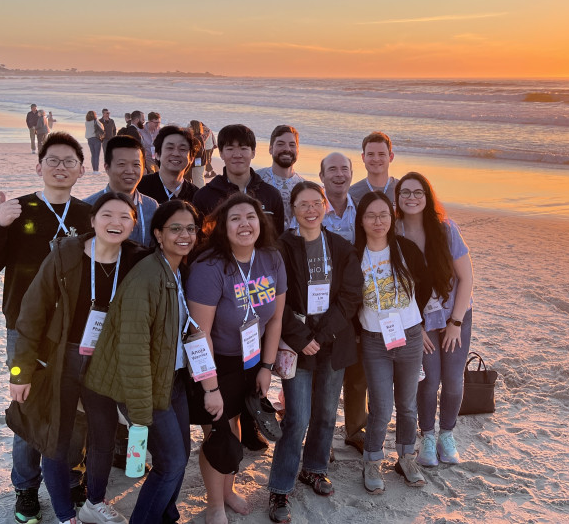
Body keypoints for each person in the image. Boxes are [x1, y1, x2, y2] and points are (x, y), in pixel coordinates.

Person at [8, 192, 148, 524]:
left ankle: (94, 502)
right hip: (65, 358)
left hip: (106, 362)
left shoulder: (137, 261)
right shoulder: (65, 255)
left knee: (104, 433)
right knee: (57, 435)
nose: (115, 223)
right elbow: (32, 313)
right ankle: (64, 515)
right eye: (107, 216)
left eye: (124, 217)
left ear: (134, 224)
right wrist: (21, 371)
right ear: (92, 221)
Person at [0, 132, 91, 524]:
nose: (61, 167)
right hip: (23, 331)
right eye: (53, 161)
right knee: (27, 408)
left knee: (74, 410)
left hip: (73, 331)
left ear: (81, 169)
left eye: (69, 161)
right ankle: (25, 487)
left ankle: (72, 477)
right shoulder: (18, 210)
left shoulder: (87, 216)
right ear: (38, 167)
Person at [85, 200, 200, 524]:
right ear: (158, 234)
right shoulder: (147, 277)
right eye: (175, 228)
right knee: (171, 462)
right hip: (146, 387)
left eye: (190, 228)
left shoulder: (177, 271)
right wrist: (139, 413)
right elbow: (132, 352)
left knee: (180, 456)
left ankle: (165, 515)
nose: (185, 235)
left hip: (172, 379)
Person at [266, 182, 363, 523]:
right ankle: (280, 488)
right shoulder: (280, 248)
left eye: (315, 203)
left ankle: (315, 468)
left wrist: (321, 334)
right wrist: (302, 335)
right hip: (297, 342)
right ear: (292, 210)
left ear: (325, 206)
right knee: (297, 418)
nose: (310, 209)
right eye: (302, 204)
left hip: (332, 340)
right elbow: (276, 300)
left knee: (325, 414)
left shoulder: (340, 247)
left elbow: (351, 296)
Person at [187, 193, 286, 524]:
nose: (245, 224)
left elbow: (275, 319)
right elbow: (199, 336)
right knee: (220, 435)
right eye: (235, 218)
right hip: (216, 363)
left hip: (253, 360)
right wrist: (210, 387)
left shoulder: (271, 258)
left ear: (261, 222)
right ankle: (215, 503)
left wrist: (267, 367)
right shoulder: (210, 266)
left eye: (251, 217)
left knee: (239, 432)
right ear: (222, 226)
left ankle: (227, 491)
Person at [395, 173, 474, 467]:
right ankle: (427, 435)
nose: (412, 197)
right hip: (418, 322)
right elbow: (394, 288)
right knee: (428, 381)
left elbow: (466, 278)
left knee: (453, 381)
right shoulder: (394, 233)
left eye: (418, 192)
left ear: (427, 197)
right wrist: (415, 328)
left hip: (455, 316)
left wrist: (455, 323)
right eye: (405, 192)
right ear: (398, 198)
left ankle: (446, 435)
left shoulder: (446, 229)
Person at [354, 191, 431, 494]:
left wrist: (417, 321)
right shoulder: (354, 254)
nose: (378, 221)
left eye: (384, 215)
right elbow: (348, 297)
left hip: (409, 337)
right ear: (361, 220)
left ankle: (406, 458)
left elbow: (424, 285)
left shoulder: (405, 250)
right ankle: (372, 461)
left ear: (392, 217)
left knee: (408, 405)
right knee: (382, 408)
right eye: (371, 215)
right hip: (374, 342)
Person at [316, 152, 367, 453]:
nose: (339, 174)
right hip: (319, 300)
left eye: (344, 169)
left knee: (357, 367)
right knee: (322, 371)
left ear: (351, 173)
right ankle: (321, 436)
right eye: (331, 169)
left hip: (355, 298)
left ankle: (355, 430)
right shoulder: (313, 208)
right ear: (321, 176)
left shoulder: (360, 210)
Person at [193, 124, 284, 236]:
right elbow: (199, 240)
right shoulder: (204, 196)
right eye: (230, 149)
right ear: (221, 153)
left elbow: (277, 239)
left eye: (243, 148)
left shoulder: (271, 195)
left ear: (253, 152)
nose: (237, 155)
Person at [84, 135, 160, 248]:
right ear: (107, 168)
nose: (130, 171)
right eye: (121, 164)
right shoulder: (88, 206)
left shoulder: (151, 206)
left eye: (136, 165)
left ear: (143, 168)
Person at [255, 125, 306, 230]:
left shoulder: (304, 186)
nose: (287, 149)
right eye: (280, 144)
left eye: (292, 145)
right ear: (270, 149)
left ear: (298, 150)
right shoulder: (255, 179)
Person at [137, 125, 199, 203]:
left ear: (191, 158)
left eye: (182, 149)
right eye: (170, 148)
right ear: (157, 154)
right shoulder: (139, 187)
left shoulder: (197, 196)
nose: (176, 153)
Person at [349, 132, 399, 207]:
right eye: (370, 154)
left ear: (391, 157)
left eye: (381, 154)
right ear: (363, 157)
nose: (376, 159)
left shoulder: (402, 189)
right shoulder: (351, 194)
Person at [188, 120, 208, 188]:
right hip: (199, 162)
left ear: (194, 127)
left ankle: (200, 195)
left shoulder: (197, 137)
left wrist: (190, 154)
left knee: (198, 180)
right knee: (197, 179)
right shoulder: (198, 136)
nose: (189, 127)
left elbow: (199, 152)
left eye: (190, 126)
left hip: (198, 163)